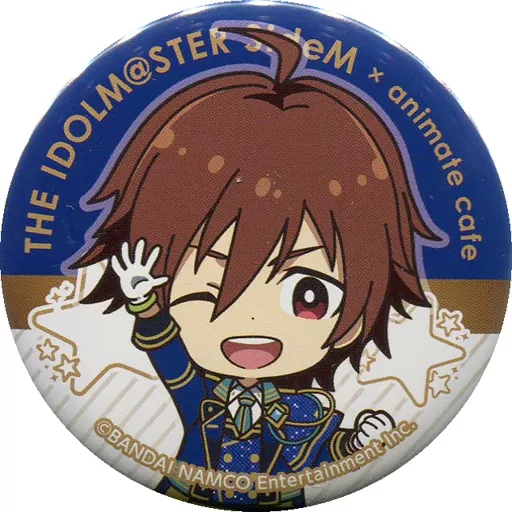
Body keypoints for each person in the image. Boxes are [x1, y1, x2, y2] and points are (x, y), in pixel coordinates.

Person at [72, 27, 441, 508]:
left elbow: (325, 448)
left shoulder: (304, 410)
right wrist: (143, 303)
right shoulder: (200, 394)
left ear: (356, 309)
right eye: (213, 285)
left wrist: (358, 442)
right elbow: (166, 351)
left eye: (308, 294)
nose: (249, 318)